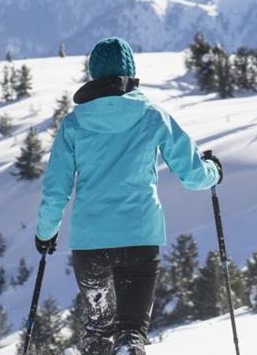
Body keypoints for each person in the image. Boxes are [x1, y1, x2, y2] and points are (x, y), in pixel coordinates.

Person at [35, 37, 222, 355]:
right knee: (131, 334)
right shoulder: (152, 116)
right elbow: (192, 176)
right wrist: (213, 170)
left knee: (98, 330)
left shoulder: (74, 124)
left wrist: (46, 233)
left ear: (93, 75)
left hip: (90, 243)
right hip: (139, 237)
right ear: (130, 73)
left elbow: (56, 190)